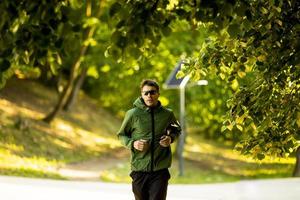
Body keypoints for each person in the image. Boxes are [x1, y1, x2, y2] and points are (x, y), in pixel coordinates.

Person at [117, 79, 181, 200]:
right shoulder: (132, 114)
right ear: (141, 94)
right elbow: (121, 135)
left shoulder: (167, 114)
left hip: (160, 170)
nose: (149, 96)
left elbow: (177, 129)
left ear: (158, 94)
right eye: (145, 93)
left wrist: (170, 138)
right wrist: (133, 143)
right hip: (139, 169)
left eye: (152, 92)